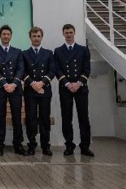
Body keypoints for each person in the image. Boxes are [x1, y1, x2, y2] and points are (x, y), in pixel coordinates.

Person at [54, 23, 94, 157]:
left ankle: (85, 146)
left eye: (71, 32)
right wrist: (67, 83)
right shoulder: (58, 51)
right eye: (66, 32)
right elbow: (57, 70)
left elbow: (86, 69)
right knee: (67, 117)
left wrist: (78, 83)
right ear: (63, 34)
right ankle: (69, 145)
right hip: (65, 89)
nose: (69, 35)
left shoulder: (83, 50)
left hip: (80, 88)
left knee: (83, 117)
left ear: (74, 33)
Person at [0, 24, 26, 156]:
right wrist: (5, 84)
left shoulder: (18, 52)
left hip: (15, 89)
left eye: (8, 34)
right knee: (0, 117)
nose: (6, 36)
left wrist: (14, 84)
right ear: (0, 36)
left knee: (17, 117)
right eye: (3, 34)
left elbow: (21, 69)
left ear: (11, 36)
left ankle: (18, 144)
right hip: (1, 88)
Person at [22, 26, 56, 156]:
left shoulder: (48, 53)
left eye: (38, 36)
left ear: (42, 37)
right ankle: (31, 145)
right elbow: (22, 71)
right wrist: (32, 83)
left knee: (44, 119)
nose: (36, 38)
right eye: (34, 36)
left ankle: (45, 146)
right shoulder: (24, 54)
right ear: (30, 38)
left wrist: (42, 83)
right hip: (30, 91)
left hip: (44, 91)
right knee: (30, 119)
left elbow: (52, 70)